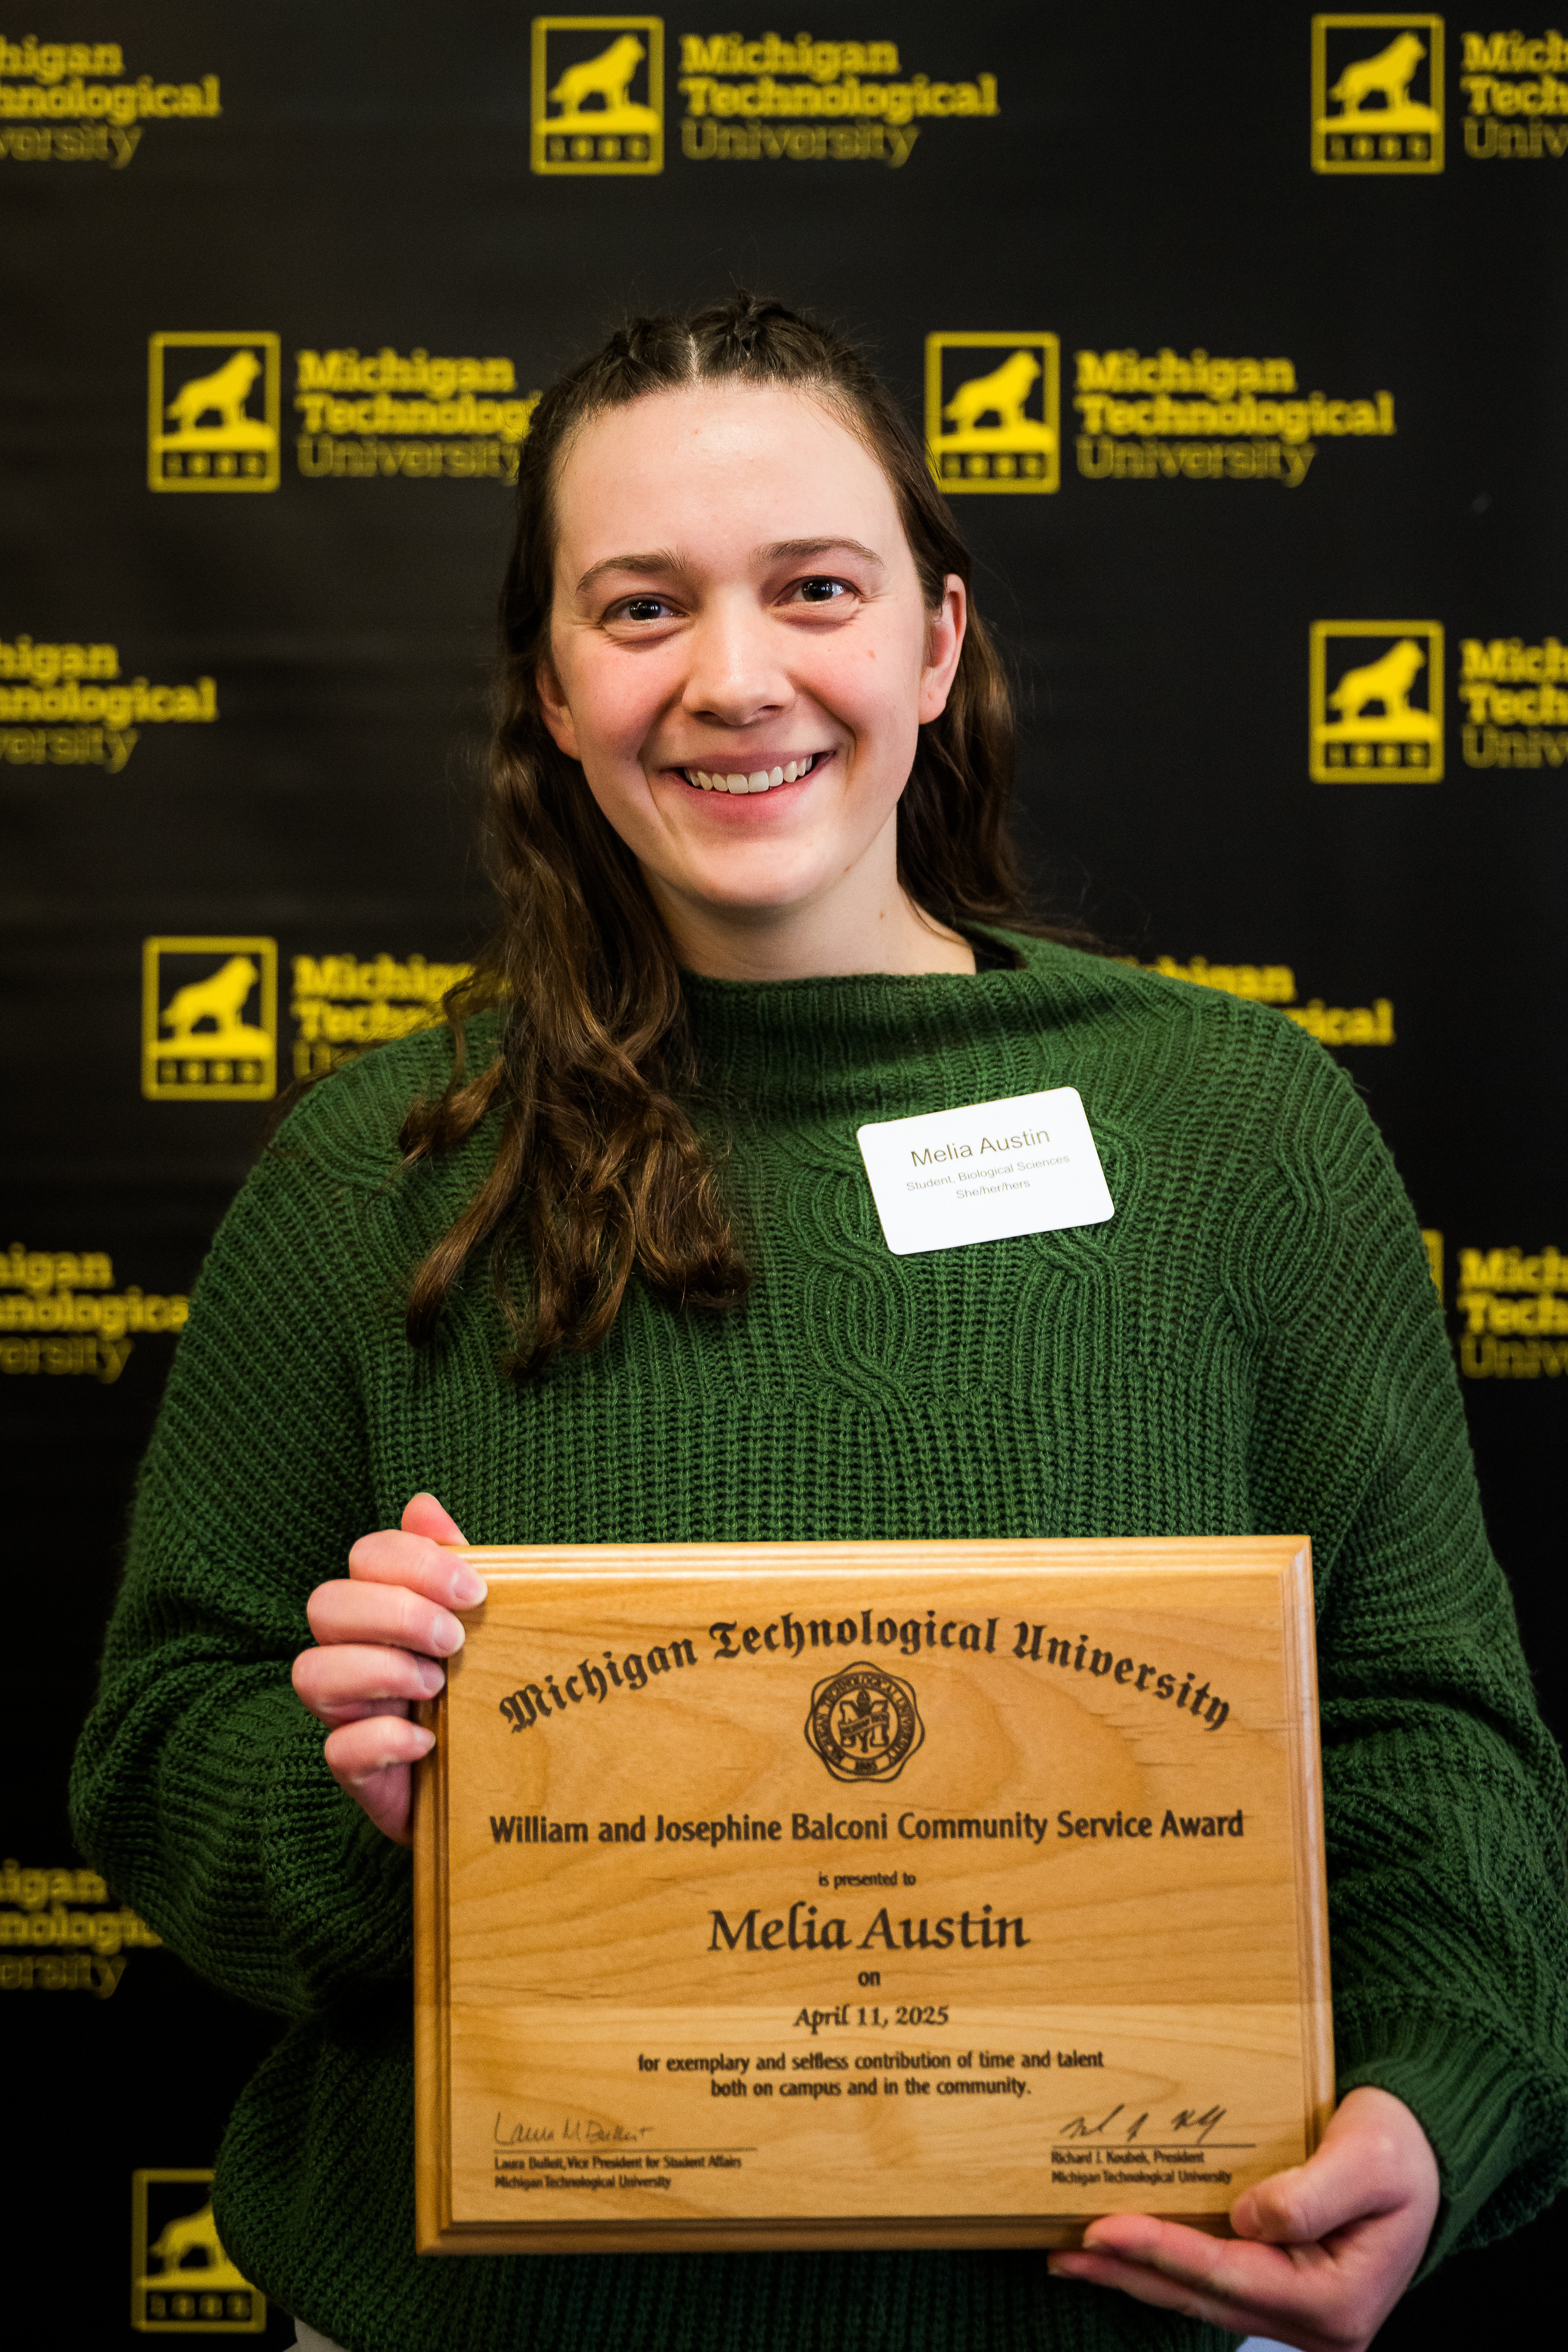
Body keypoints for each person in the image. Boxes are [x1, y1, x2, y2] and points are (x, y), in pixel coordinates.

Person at [71, 294, 1566, 2352]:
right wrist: (366, 1799)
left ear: (936, 644)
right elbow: (162, 1751)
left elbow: (1419, 1722)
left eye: (815, 589)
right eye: (642, 607)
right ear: (553, 687)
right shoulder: (377, 1171)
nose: (735, 676)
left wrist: (1433, 2094)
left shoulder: (1238, 1129)